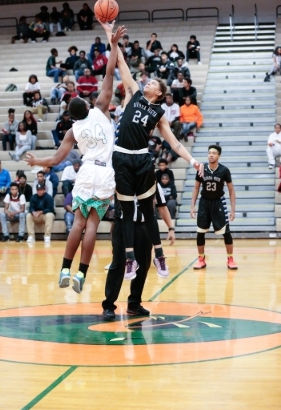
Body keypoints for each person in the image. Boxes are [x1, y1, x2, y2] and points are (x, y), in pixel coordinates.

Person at [25, 23, 126, 294]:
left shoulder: (73, 130)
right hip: (106, 173)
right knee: (92, 225)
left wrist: (36, 162)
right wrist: (113, 45)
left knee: (78, 223)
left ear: (71, 114)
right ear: (87, 104)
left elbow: (57, 159)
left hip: (86, 171)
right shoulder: (101, 109)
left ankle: (65, 269)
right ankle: (81, 274)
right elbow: (108, 73)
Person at [111, 20, 203, 280]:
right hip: (120, 156)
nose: (147, 81)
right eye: (148, 80)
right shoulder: (135, 95)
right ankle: (130, 260)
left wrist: (192, 161)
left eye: (152, 82)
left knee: (149, 209)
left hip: (141, 159)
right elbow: (122, 64)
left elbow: (174, 143)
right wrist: (111, 35)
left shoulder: (160, 112)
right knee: (127, 212)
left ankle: (159, 256)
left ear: (160, 93)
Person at [102, 185, 175, 320]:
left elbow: (162, 206)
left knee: (143, 265)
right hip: (122, 226)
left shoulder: (153, 182)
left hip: (144, 227)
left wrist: (171, 228)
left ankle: (134, 304)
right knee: (118, 264)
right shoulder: (121, 179)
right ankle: (109, 305)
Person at [190, 145, 237, 270]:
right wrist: (192, 206)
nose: (211, 155)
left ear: (219, 156)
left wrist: (232, 210)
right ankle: (201, 259)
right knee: (200, 232)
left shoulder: (224, 170)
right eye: (209, 152)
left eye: (214, 153)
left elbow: (231, 190)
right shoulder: (201, 168)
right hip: (204, 203)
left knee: (226, 232)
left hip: (218, 202)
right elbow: (196, 188)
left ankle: (230, 259)